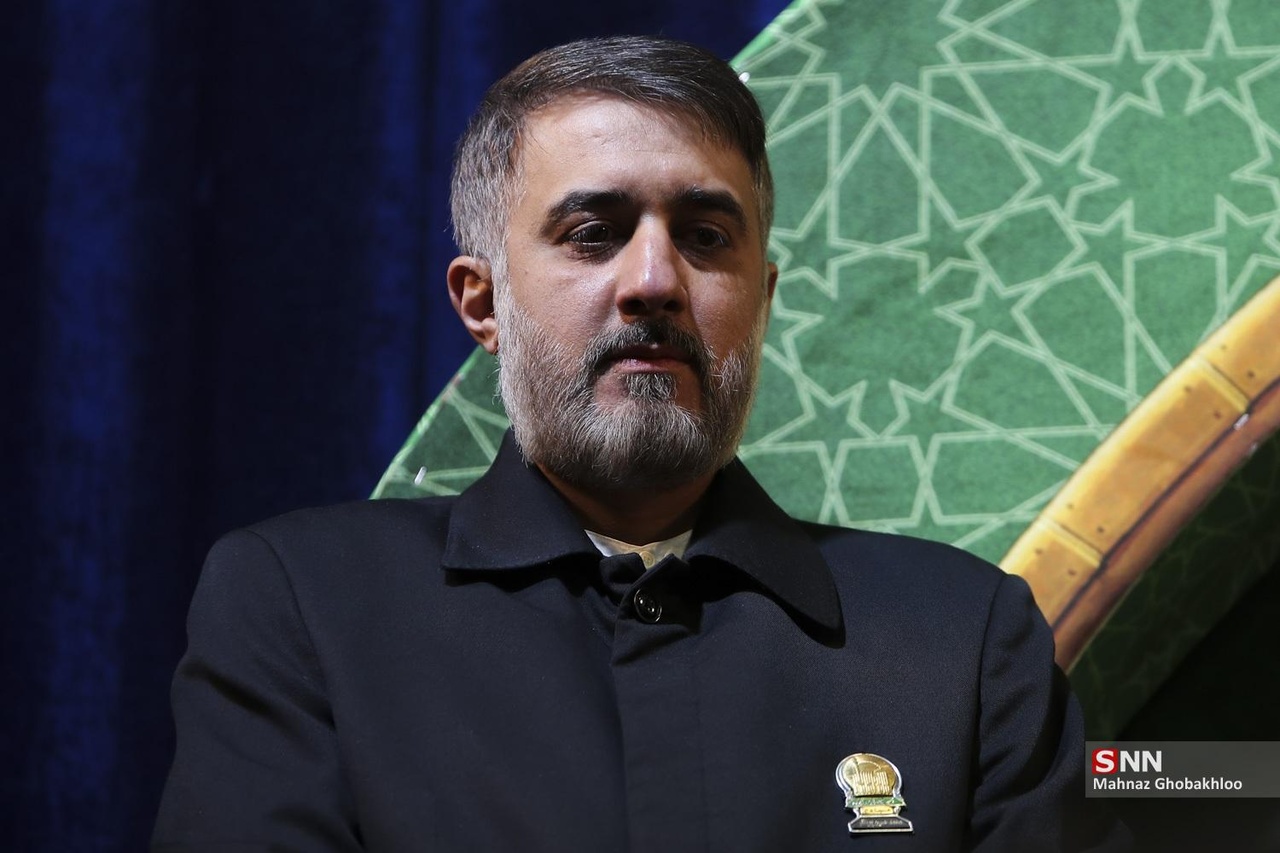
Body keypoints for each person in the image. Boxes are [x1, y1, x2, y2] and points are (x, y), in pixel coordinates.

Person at [153, 36, 1130, 852]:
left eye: (705, 236)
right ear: (482, 302)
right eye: (592, 232)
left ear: (760, 298)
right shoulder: (303, 607)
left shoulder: (963, 640)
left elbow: (1188, 792)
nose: (655, 280)